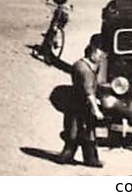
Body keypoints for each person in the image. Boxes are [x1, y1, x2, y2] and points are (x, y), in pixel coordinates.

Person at [55, 37, 106, 168]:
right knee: (84, 131)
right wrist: (96, 109)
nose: (101, 57)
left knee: (77, 129)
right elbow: (88, 92)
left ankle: (71, 155)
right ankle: (85, 158)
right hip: (82, 103)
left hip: (76, 101)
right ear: (93, 51)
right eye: (100, 53)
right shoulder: (85, 69)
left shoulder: (82, 65)